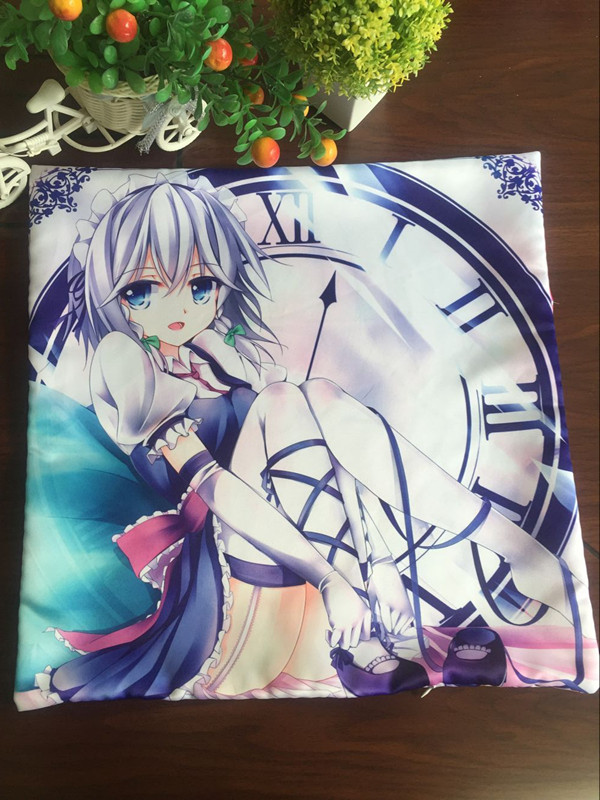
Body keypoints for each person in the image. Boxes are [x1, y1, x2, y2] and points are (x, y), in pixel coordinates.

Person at [35, 173, 586, 704]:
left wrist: (380, 561)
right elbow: (216, 486)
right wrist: (331, 579)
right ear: (112, 290)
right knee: (285, 398)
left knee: (310, 395)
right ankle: (494, 564)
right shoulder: (124, 359)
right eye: (142, 290)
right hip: (229, 554)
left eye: (201, 285)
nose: (178, 308)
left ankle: (508, 553)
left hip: (298, 534)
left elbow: (331, 453)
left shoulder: (207, 356)